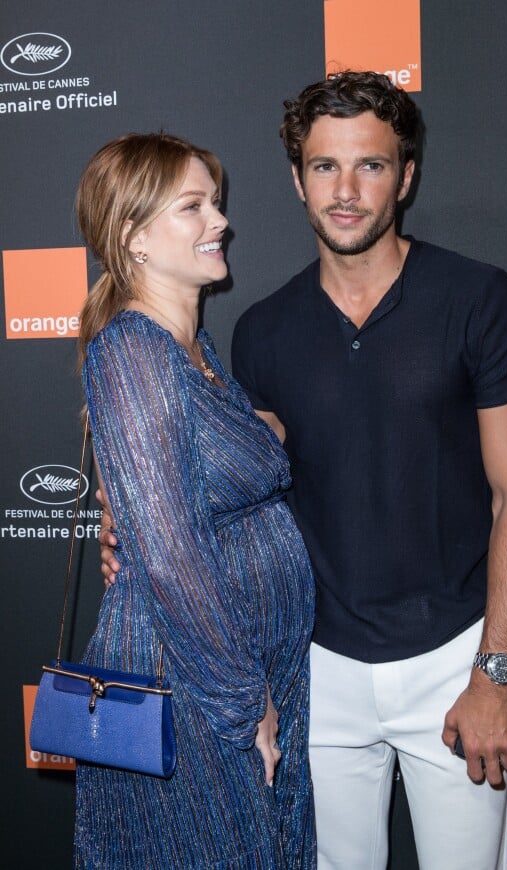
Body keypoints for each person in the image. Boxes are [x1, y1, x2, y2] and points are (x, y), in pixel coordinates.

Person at [100, 73, 507, 870]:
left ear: (406, 176)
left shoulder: (483, 301)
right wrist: (133, 511)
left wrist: (495, 674)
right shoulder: (261, 333)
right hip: (314, 672)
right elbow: (233, 468)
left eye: (371, 166)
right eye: (323, 167)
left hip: (453, 660)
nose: (345, 192)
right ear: (297, 178)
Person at [76, 132, 316, 868]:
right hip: (194, 685)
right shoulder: (132, 352)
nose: (220, 222)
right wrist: (245, 708)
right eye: (194, 206)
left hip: (244, 668)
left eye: (214, 202)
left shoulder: (198, 352)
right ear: (133, 237)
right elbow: (175, 557)